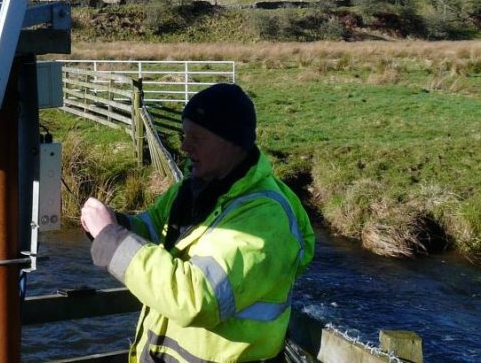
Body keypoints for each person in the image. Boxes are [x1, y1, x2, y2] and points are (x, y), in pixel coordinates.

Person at [80, 83, 314, 363]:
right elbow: (154, 231)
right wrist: (115, 225)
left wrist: (111, 238)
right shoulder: (192, 190)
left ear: (232, 142)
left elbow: (195, 298)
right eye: (184, 134)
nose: (184, 146)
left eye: (197, 138)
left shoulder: (265, 217)